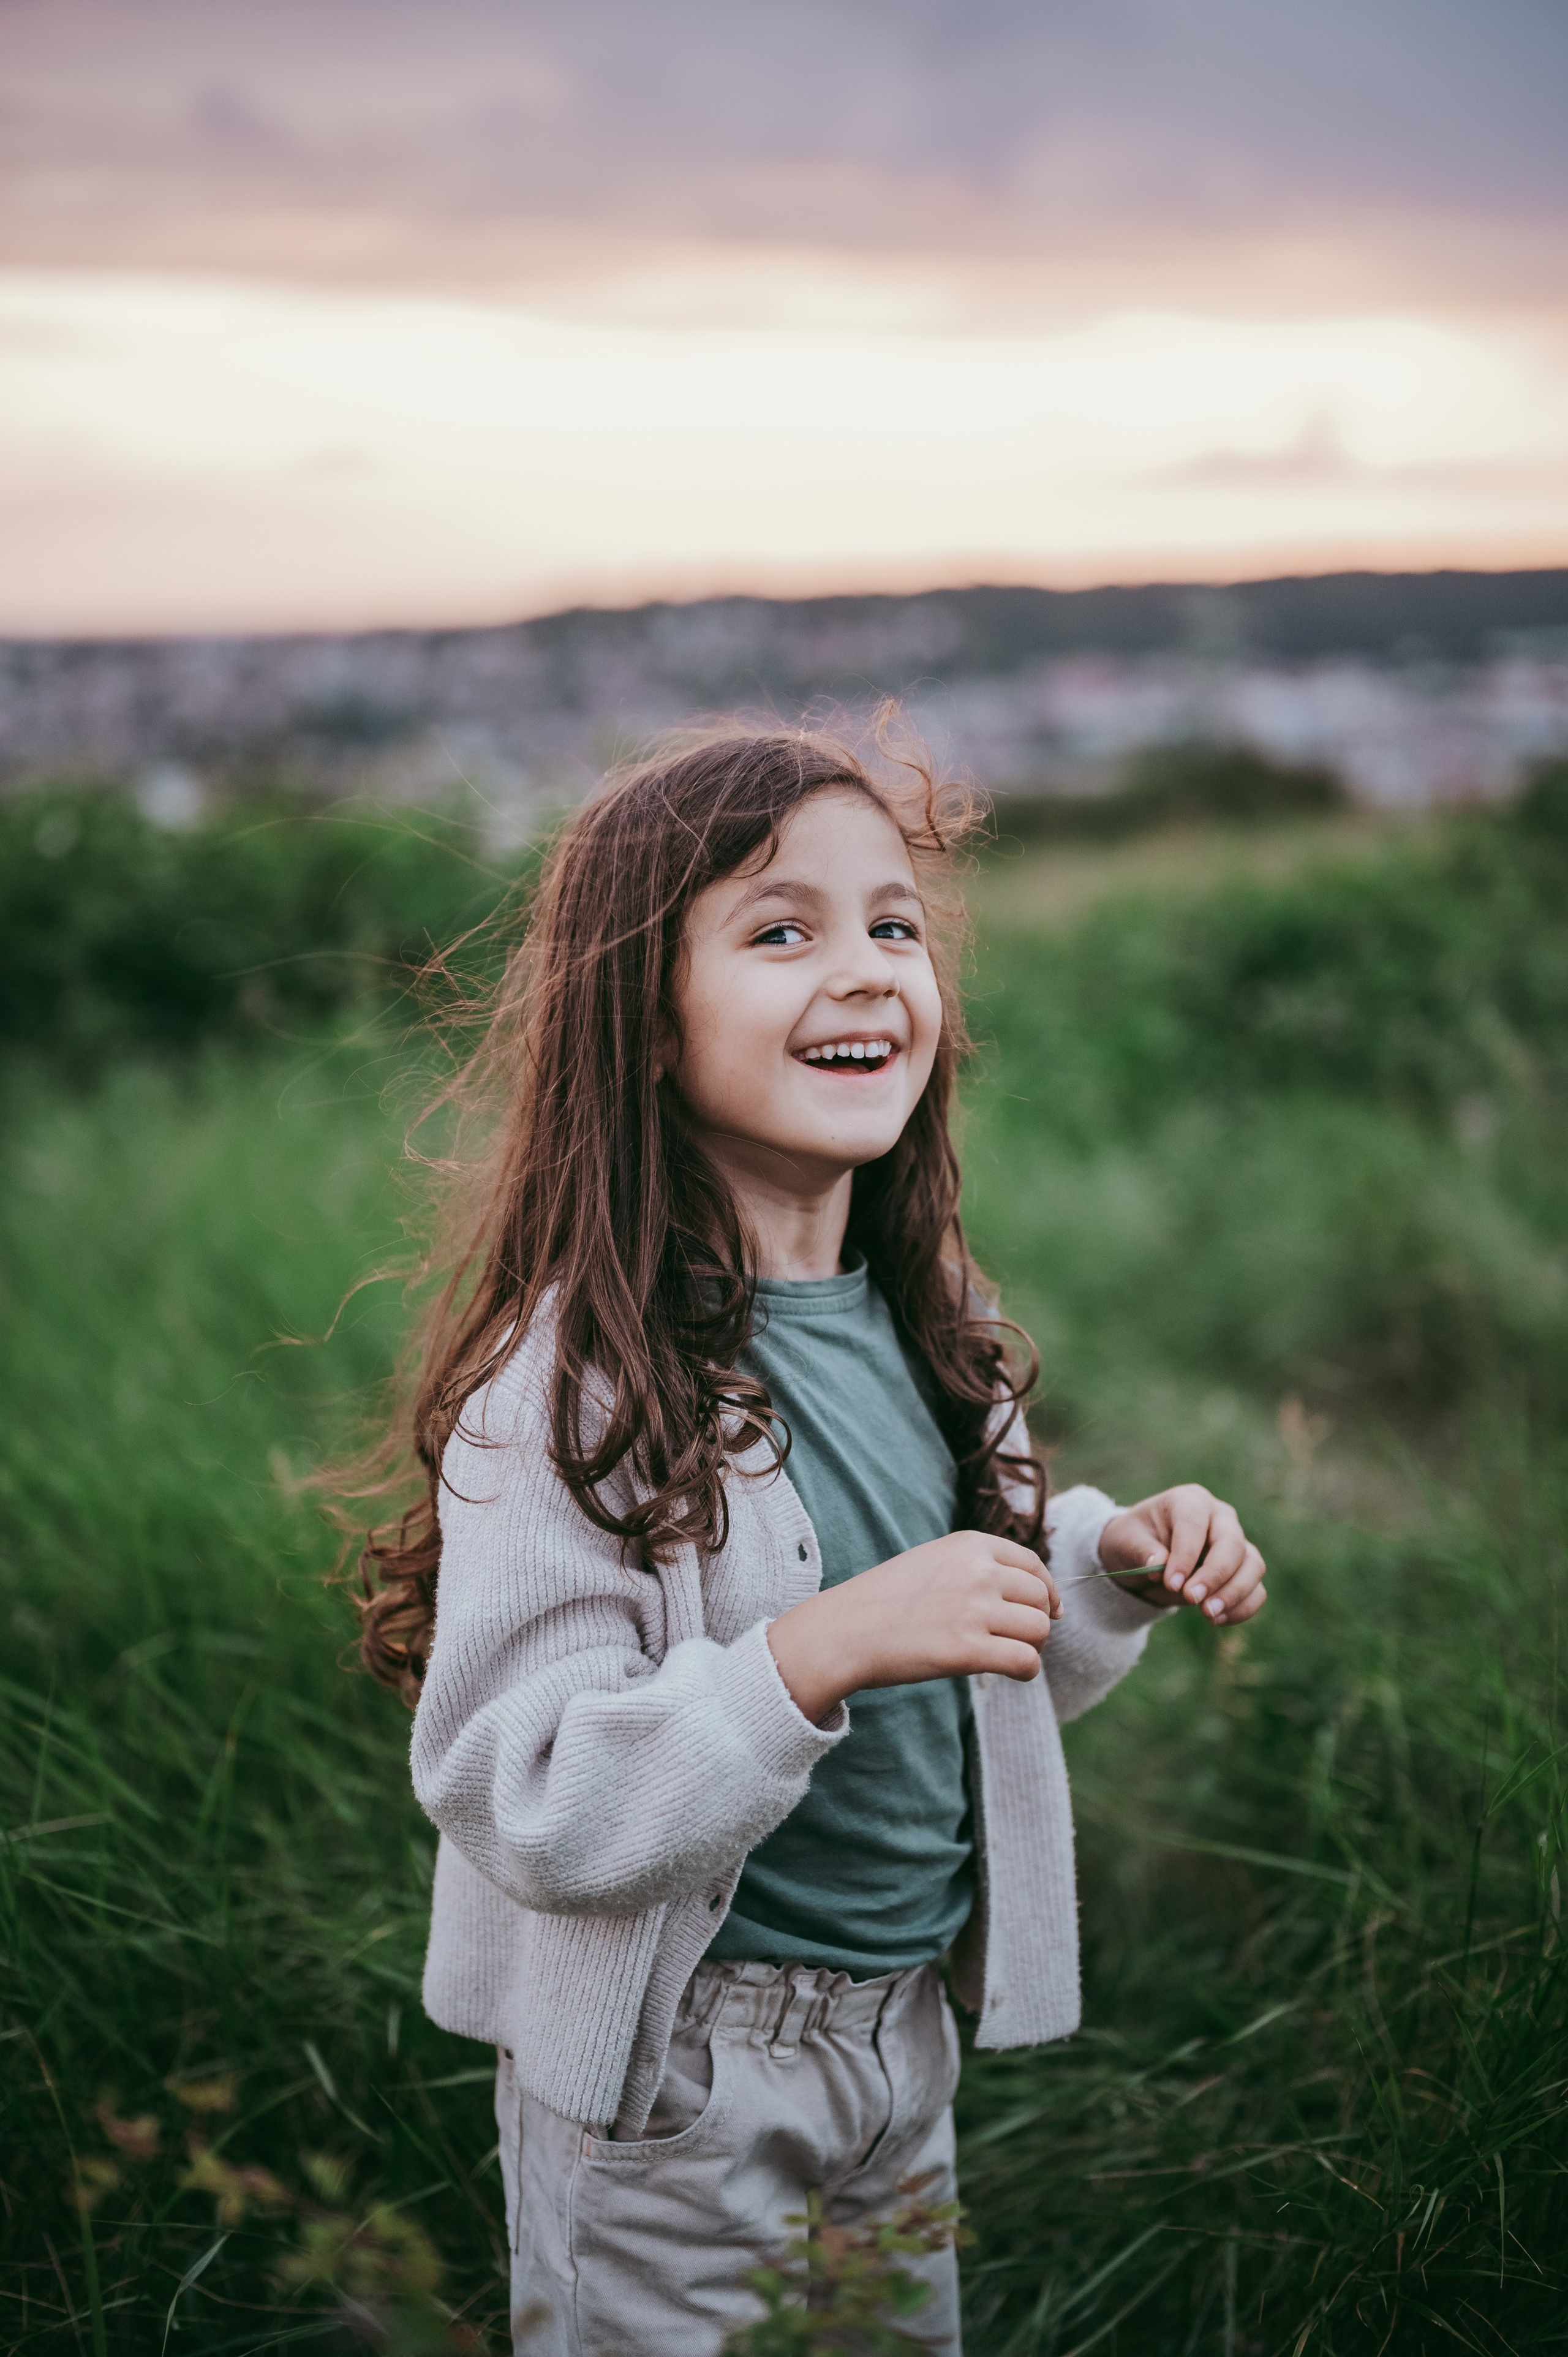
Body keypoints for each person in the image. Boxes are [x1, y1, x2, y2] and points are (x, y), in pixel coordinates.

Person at [350, 723, 1267, 2355]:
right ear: (641, 1018)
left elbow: (962, 1676)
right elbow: (526, 1788)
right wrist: (818, 1648)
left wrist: (1101, 1569)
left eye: (893, 926)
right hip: (673, 2073)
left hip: (897, 2047)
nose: (863, 970)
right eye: (783, 931)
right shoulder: (567, 1384)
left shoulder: (938, 1328)